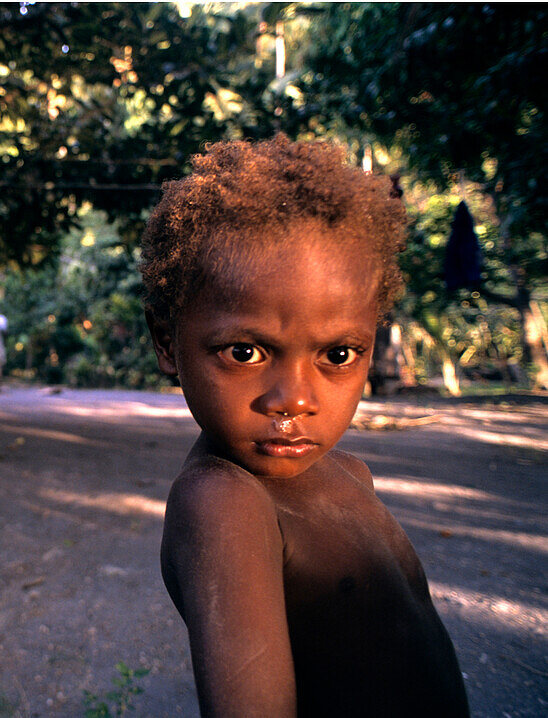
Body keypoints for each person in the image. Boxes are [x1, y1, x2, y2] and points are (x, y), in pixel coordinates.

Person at [141, 135, 469, 717]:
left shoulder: (349, 472)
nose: (292, 400)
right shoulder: (224, 502)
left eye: (338, 355)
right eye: (244, 352)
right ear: (168, 342)